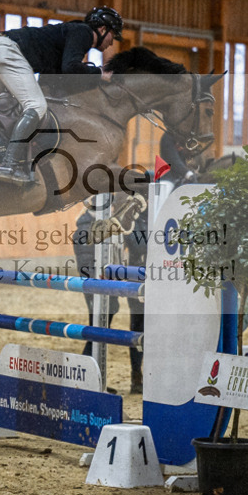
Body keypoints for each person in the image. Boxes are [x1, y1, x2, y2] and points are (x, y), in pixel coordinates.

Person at [72, 131, 192, 394]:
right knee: (104, 314)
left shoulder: (147, 197)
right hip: (94, 247)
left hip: (121, 257)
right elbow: (138, 241)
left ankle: (135, 379)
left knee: (128, 317)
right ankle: (86, 379)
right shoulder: (136, 200)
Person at [0, 6, 123, 185]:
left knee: (10, 111)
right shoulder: (84, 32)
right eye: (113, 36)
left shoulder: (66, 37)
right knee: (36, 107)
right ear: (103, 30)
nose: (112, 42)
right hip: (7, 51)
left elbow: (53, 79)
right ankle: (9, 166)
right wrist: (99, 74)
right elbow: (71, 68)